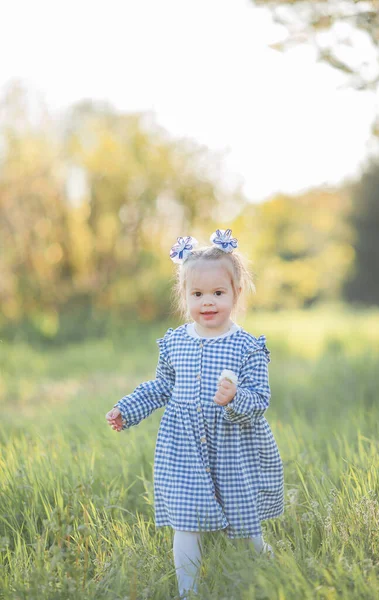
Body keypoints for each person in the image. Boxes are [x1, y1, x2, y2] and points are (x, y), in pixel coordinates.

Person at [105, 229, 284, 599]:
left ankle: (266, 565)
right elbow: (160, 387)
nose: (208, 302)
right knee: (186, 524)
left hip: (234, 451)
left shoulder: (248, 348)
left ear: (236, 293)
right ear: (184, 295)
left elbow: (260, 400)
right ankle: (188, 591)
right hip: (184, 449)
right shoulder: (175, 343)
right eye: (197, 294)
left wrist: (235, 397)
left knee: (244, 528)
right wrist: (128, 408)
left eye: (218, 293)